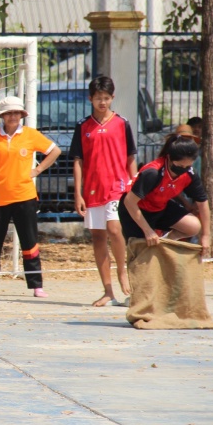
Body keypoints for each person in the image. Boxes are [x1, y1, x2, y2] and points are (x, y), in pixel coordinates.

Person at [0, 96, 61, 298]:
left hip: (25, 197)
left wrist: (37, 170)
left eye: (16, 113)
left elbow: (55, 151)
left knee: (30, 241)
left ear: (21, 115)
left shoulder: (30, 134)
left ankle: (36, 285)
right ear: (2, 116)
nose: (13, 116)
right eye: (9, 113)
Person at [69, 76, 137, 307]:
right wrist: (78, 193)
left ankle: (122, 273)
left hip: (118, 187)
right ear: (90, 98)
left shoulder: (122, 123)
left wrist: (134, 185)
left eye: (106, 98)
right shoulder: (83, 126)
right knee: (98, 237)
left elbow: (131, 157)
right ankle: (108, 291)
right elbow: (78, 161)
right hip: (92, 190)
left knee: (115, 229)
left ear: (112, 98)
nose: (102, 102)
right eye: (98, 98)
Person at [119, 135, 210, 255]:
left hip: (159, 207)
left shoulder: (190, 174)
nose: (183, 169)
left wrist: (205, 235)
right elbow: (129, 202)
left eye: (187, 166)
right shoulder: (153, 173)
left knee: (193, 226)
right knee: (142, 254)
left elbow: (203, 203)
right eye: (180, 166)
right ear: (169, 158)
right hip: (136, 210)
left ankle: (165, 242)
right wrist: (148, 231)